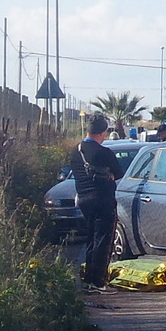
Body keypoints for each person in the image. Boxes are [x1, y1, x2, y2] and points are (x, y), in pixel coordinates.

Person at [72, 114, 124, 288]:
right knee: (103, 241)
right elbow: (118, 172)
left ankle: (88, 278)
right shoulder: (104, 152)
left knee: (91, 239)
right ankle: (98, 282)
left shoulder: (76, 150)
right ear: (103, 132)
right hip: (103, 200)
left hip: (84, 200)